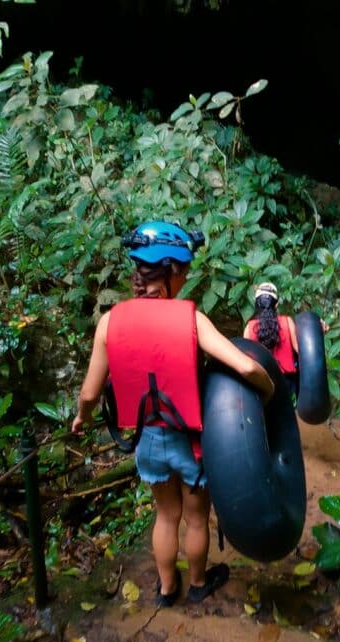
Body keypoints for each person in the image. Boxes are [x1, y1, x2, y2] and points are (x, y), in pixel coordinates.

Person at [72, 221, 274, 607]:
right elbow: (246, 368)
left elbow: (89, 392)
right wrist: (269, 392)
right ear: (174, 270)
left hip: (148, 441)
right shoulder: (192, 321)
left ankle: (166, 589)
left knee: (166, 516)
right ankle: (197, 583)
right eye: (185, 270)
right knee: (196, 518)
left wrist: (81, 418)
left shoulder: (109, 322)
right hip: (191, 444)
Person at [243, 282, 299, 398]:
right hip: (287, 382)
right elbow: (299, 350)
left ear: (256, 303)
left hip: (262, 382)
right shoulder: (287, 322)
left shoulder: (249, 327)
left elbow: (246, 360)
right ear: (276, 304)